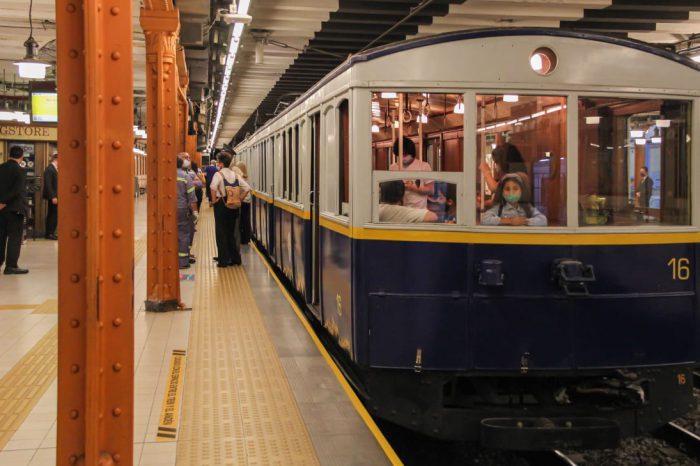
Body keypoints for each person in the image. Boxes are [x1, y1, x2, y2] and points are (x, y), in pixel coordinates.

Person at [210, 151, 251, 267]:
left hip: (221, 206)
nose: (218, 164)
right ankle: (235, 259)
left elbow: (213, 187)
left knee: (221, 233)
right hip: (234, 206)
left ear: (221, 164)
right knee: (231, 233)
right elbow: (247, 187)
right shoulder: (235, 175)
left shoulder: (218, 175)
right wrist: (240, 199)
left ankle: (223, 261)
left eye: (218, 162)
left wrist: (213, 201)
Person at [0, 146, 29, 274]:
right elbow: (17, 190)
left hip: (0, 210)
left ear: (8, 155)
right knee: (14, 238)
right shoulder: (20, 170)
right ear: (21, 156)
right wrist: (4, 202)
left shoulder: (0, 168)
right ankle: (11, 266)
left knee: (0, 237)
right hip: (14, 209)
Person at [481, 173, 547, 226]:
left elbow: (543, 220)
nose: (511, 192)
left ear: (522, 191)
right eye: (507, 189)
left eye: (515, 189)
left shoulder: (527, 208)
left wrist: (524, 221)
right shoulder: (499, 208)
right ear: (502, 192)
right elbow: (484, 219)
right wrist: (509, 221)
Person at [389, 137, 434, 209]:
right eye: (400, 154)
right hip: (399, 210)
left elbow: (431, 190)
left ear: (411, 153)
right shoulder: (393, 167)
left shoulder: (424, 166)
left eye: (405, 154)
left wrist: (413, 188)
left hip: (419, 211)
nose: (403, 157)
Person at [176, 155, 198, 269]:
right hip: (182, 209)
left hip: (167, 210)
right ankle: (183, 261)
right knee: (183, 234)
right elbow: (192, 197)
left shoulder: (165, 175)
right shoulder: (186, 176)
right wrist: (195, 212)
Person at [234, 161, 252, 245]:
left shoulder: (241, 179)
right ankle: (246, 238)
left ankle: (243, 239)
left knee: (242, 221)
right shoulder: (246, 177)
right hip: (247, 201)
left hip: (243, 201)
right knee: (246, 220)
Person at [42, 153, 58, 240]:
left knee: (53, 214)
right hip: (53, 196)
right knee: (53, 215)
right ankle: (50, 233)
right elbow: (48, 184)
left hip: (55, 196)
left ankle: (50, 232)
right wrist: (53, 196)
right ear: (56, 159)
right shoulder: (50, 169)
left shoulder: (54, 169)